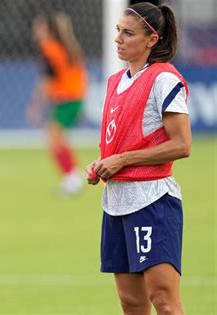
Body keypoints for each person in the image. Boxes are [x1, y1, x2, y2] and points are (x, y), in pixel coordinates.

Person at [86, 3, 191, 314]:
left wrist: (122, 160)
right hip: (117, 201)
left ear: (151, 40)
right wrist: (102, 163)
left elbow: (182, 145)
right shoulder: (115, 83)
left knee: (164, 301)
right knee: (131, 303)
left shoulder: (164, 79)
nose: (118, 38)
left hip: (153, 202)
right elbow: (122, 143)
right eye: (118, 30)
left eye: (128, 33)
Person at [26, 12, 88, 196]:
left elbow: (46, 81)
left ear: (47, 30)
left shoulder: (49, 49)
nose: (35, 30)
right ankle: (72, 176)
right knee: (58, 139)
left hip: (65, 100)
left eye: (38, 27)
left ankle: (71, 178)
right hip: (74, 99)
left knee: (53, 140)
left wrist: (35, 105)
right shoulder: (68, 47)